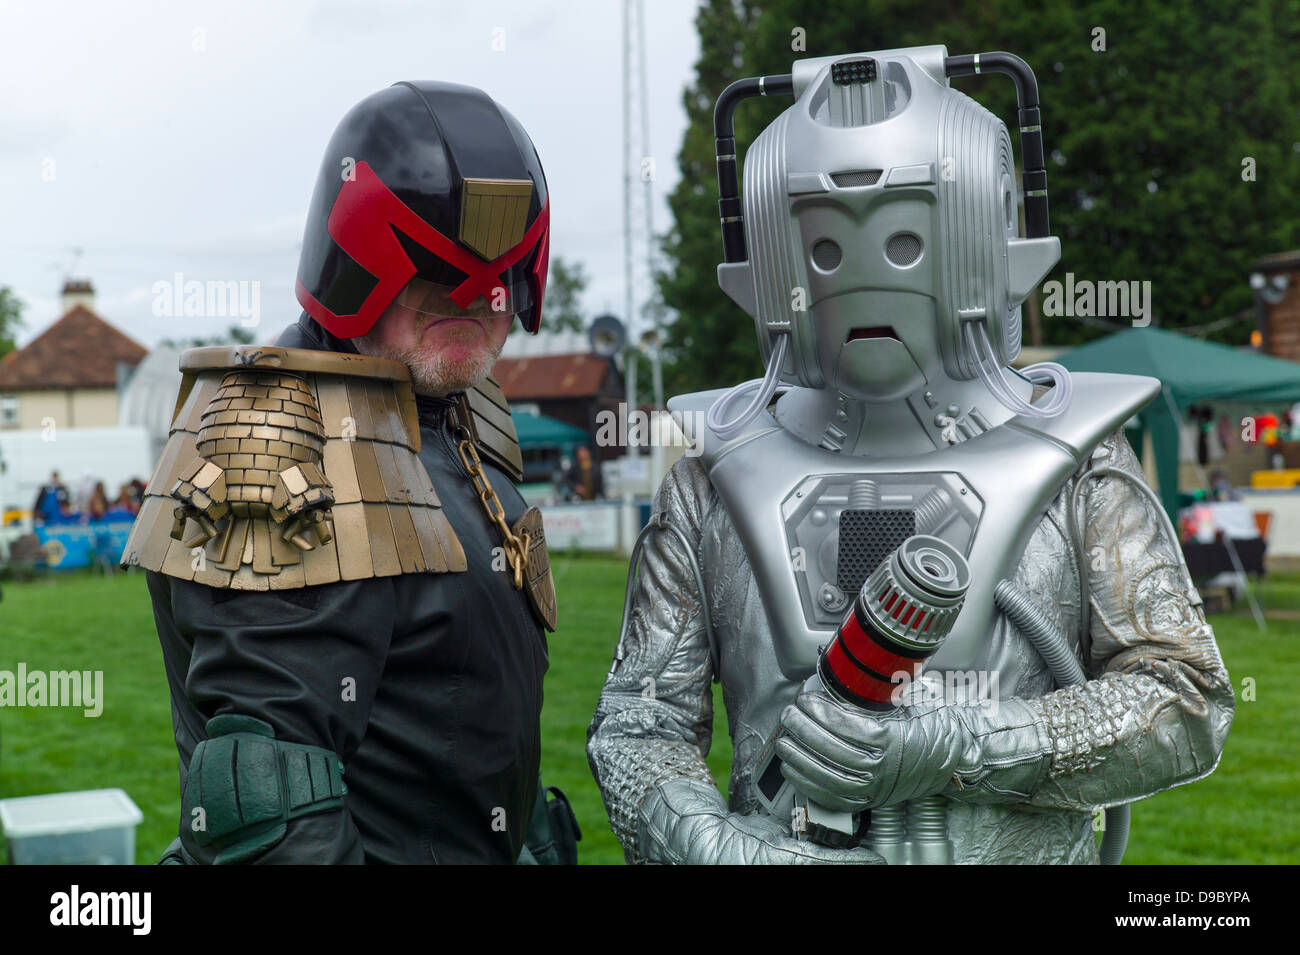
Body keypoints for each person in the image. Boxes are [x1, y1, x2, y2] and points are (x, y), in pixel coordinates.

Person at [587, 46, 1234, 864]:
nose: (862, 282)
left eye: (901, 241)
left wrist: (957, 744)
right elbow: (640, 721)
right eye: (824, 249)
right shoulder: (715, 478)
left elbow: (1184, 700)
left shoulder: (1074, 461)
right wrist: (714, 848)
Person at [123, 80, 567, 864]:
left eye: (496, 283)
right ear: (350, 263)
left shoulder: (444, 408)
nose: (472, 301)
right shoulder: (280, 433)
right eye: (433, 281)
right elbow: (267, 812)